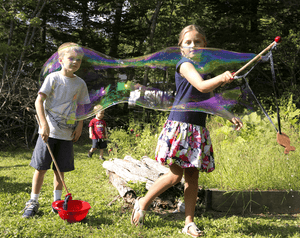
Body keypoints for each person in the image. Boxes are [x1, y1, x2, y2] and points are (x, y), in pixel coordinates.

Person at [130, 25, 243, 237]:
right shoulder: (185, 65)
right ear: (181, 48)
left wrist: (229, 116)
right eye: (188, 42)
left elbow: (208, 100)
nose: (193, 46)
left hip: (198, 128)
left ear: (204, 46)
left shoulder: (205, 71)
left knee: (193, 178)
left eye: (198, 42)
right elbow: (201, 86)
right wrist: (222, 77)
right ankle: (142, 202)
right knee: (174, 176)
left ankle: (188, 223)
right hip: (181, 126)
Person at [22, 42, 90, 218]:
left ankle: (57, 203)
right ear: (60, 60)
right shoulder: (53, 78)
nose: (75, 62)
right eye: (71, 58)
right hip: (48, 133)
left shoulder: (80, 84)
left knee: (60, 171)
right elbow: (39, 101)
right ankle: (33, 201)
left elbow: (82, 107)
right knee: (40, 168)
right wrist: (43, 125)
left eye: (79, 60)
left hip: (67, 135)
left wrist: (80, 126)